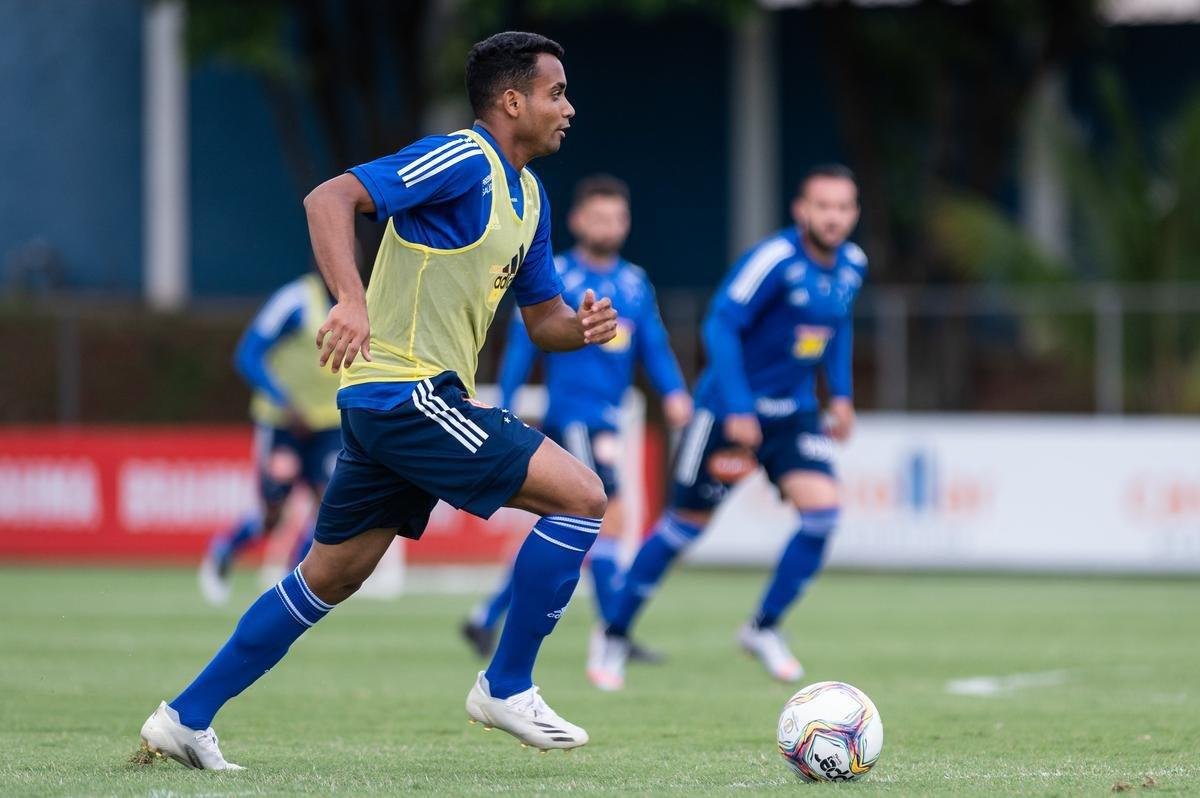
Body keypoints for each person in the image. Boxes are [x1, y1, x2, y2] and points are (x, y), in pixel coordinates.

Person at [139, 31, 619, 769]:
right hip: (405, 390)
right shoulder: (463, 157)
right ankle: (506, 683)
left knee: (330, 575)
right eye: (556, 93)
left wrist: (580, 329)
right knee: (582, 495)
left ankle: (184, 716)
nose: (570, 108)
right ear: (512, 100)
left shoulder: (531, 199)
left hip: (396, 402)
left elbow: (542, 318)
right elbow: (330, 197)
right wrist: (351, 300)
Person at [589, 164, 866, 691]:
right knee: (683, 529)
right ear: (801, 210)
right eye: (822, 206)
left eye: (843, 207)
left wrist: (843, 397)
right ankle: (614, 631)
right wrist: (738, 406)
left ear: (854, 213)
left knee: (823, 514)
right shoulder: (776, 260)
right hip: (725, 413)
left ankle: (763, 627)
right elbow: (720, 320)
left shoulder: (852, 265)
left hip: (793, 414)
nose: (833, 217)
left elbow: (838, 329)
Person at [459, 175, 692, 689]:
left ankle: (485, 615)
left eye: (617, 217)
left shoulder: (634, 282)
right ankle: (615, 632)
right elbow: (524, 345)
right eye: (599, 217)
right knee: (608, 521)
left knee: (577, 533)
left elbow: (652, 343)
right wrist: (509, 402)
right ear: (578, 221)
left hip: (610, 417)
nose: (609, 226)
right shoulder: (557, 273)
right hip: (573, 416)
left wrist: (674, 392)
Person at [198, 272, 341, 605]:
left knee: (330, 508)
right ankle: (224, 550)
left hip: (329, 424)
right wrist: (284, 401)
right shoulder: (294, 302)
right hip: (284, 423)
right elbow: (247, 355)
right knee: (273, 512)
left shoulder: (364, 302)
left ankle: (293, 582)